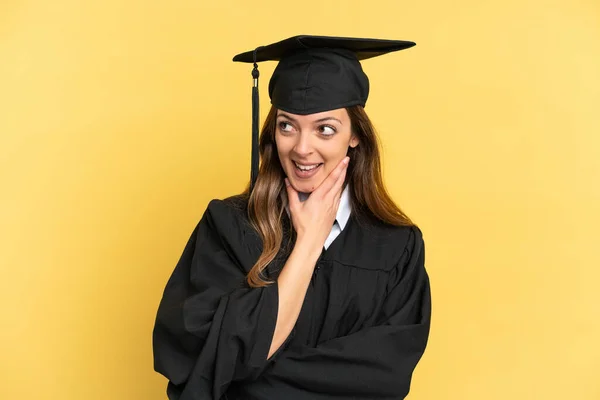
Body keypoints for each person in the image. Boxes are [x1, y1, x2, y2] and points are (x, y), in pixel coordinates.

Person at [152, 35, 432, 400]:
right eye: (287, 125)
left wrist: (249, 379)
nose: (301, 147)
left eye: (325, 129)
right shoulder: (229, 227)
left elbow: (384, 377)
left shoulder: (396, 246)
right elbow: (191, 352)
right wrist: (309, 241)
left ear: (355, 137)